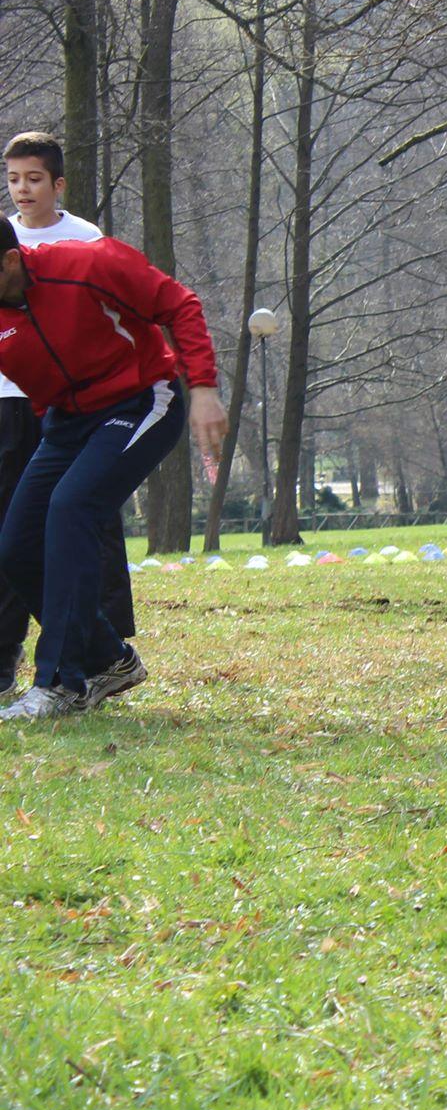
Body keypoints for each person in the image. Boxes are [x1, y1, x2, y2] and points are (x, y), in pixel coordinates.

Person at [0, 226, 227, 721]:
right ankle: (110, 659)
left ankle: (63, 682)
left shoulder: (88, 264)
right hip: (65, 420)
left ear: (11, 261)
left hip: (142, 398)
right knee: (16, 544)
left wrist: (204, 388)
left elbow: (179, 303)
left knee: (72, 507)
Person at [0, 132, 135, 692]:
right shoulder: (3, 237)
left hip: (72, 403)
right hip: (10, 399)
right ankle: (7, 653)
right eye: (13, 179)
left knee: (82, 519)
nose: (22, 190)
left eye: (33, 179)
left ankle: (93, 647)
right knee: (15, 528)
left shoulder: (85, 239)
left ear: (58, 184)